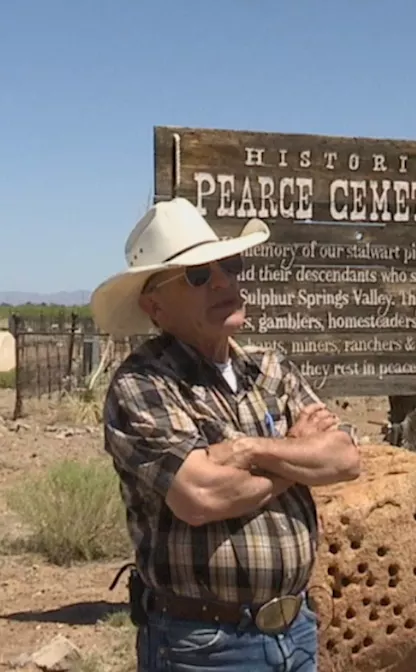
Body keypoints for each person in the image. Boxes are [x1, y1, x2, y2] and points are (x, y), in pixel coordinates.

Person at [92, 198, 363, 671]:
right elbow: (202, 495)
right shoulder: (143, 384)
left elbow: (343, 459)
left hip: (297, 631)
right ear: (154, 306)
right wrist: (296, 456)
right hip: (206, 645)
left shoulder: (268, 368)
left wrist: (247, 449)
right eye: (198, 275)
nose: (223, 281)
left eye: (229, 265)